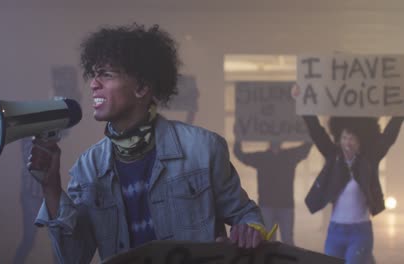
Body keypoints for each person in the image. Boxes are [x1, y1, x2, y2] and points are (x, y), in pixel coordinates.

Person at [28, 23, 270, 263]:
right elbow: (72, 258)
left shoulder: (204, 149)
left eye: (106, 74)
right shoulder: (87, 168)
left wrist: (250, 231)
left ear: (142, 87)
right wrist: (50, 187)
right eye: (93, 74)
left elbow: (247, 216)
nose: (93, 83)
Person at [302, 115, 403, 264]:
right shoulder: (333, 157)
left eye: (352, 139)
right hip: (335, 231)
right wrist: (306, 110)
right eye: (344, 138)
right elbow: (317, 133)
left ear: (360, 141)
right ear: (339, 140)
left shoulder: (369, 159)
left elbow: (388, 138)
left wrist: (399, 113)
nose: (348, 143)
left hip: (360, 231)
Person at [13, 66, 81, 264]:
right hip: (31, 194)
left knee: (55, 242)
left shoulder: (37, 128)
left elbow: (63, 131)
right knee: (29, 241)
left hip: (41, 193)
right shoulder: (30, 131)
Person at [233, 139, 312, 245]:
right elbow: (240, 154)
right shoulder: (288, 155)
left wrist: (239, 137)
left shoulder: (270, 156)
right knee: (273, 240)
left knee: (283, 240)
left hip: (280, 206)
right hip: (272, 206)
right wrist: (238, 138)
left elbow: (307, 147)